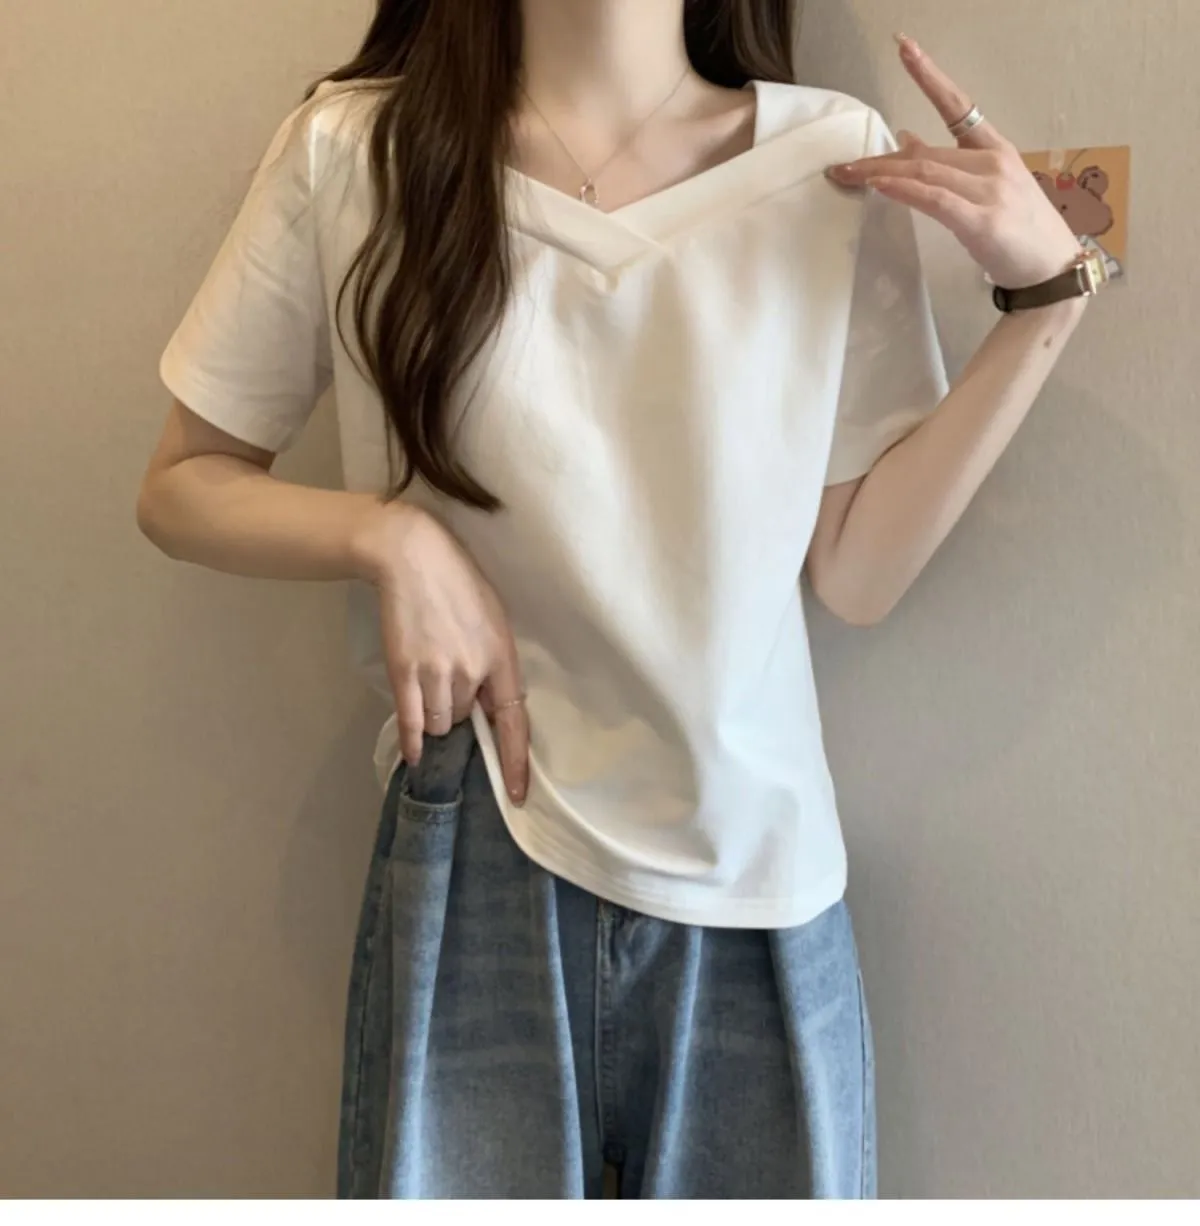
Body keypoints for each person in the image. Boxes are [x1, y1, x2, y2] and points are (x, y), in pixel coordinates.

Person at [137, 0, 1098, 1200]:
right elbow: (183, 482)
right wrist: (392, 537)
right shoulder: (355, 153)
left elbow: (856, 569)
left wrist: (1049, 297)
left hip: (756, 876)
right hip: (478, 847)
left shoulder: (828, 160)